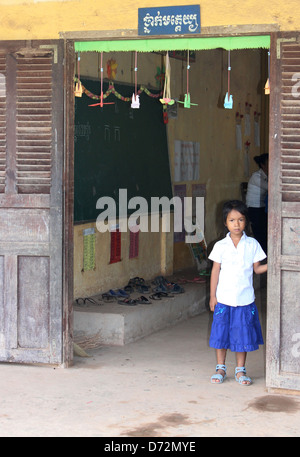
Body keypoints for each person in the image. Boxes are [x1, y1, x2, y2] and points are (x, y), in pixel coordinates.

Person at [208, 200, 267, 385]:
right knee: (221, 334)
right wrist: (212, 296)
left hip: (244, 299)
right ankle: (221, 368)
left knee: (242, 336)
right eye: (232, 220)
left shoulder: (252, 244)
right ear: (225, 222)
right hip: (223, 299)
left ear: (246, 222)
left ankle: (241, 370)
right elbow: (215, 271)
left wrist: (275, 264)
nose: (236, 224)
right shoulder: (220, 246)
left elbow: (257, 269)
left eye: (241, 220)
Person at [246, 153, 268, 253]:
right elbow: (270, 187)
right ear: (263, 165)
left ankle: (265, 253)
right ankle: (262, 255)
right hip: (254, 208)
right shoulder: (256, 177)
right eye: (269, 162)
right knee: (260, 233)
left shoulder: (265, 176)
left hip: (261, 207)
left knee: (265, 231)